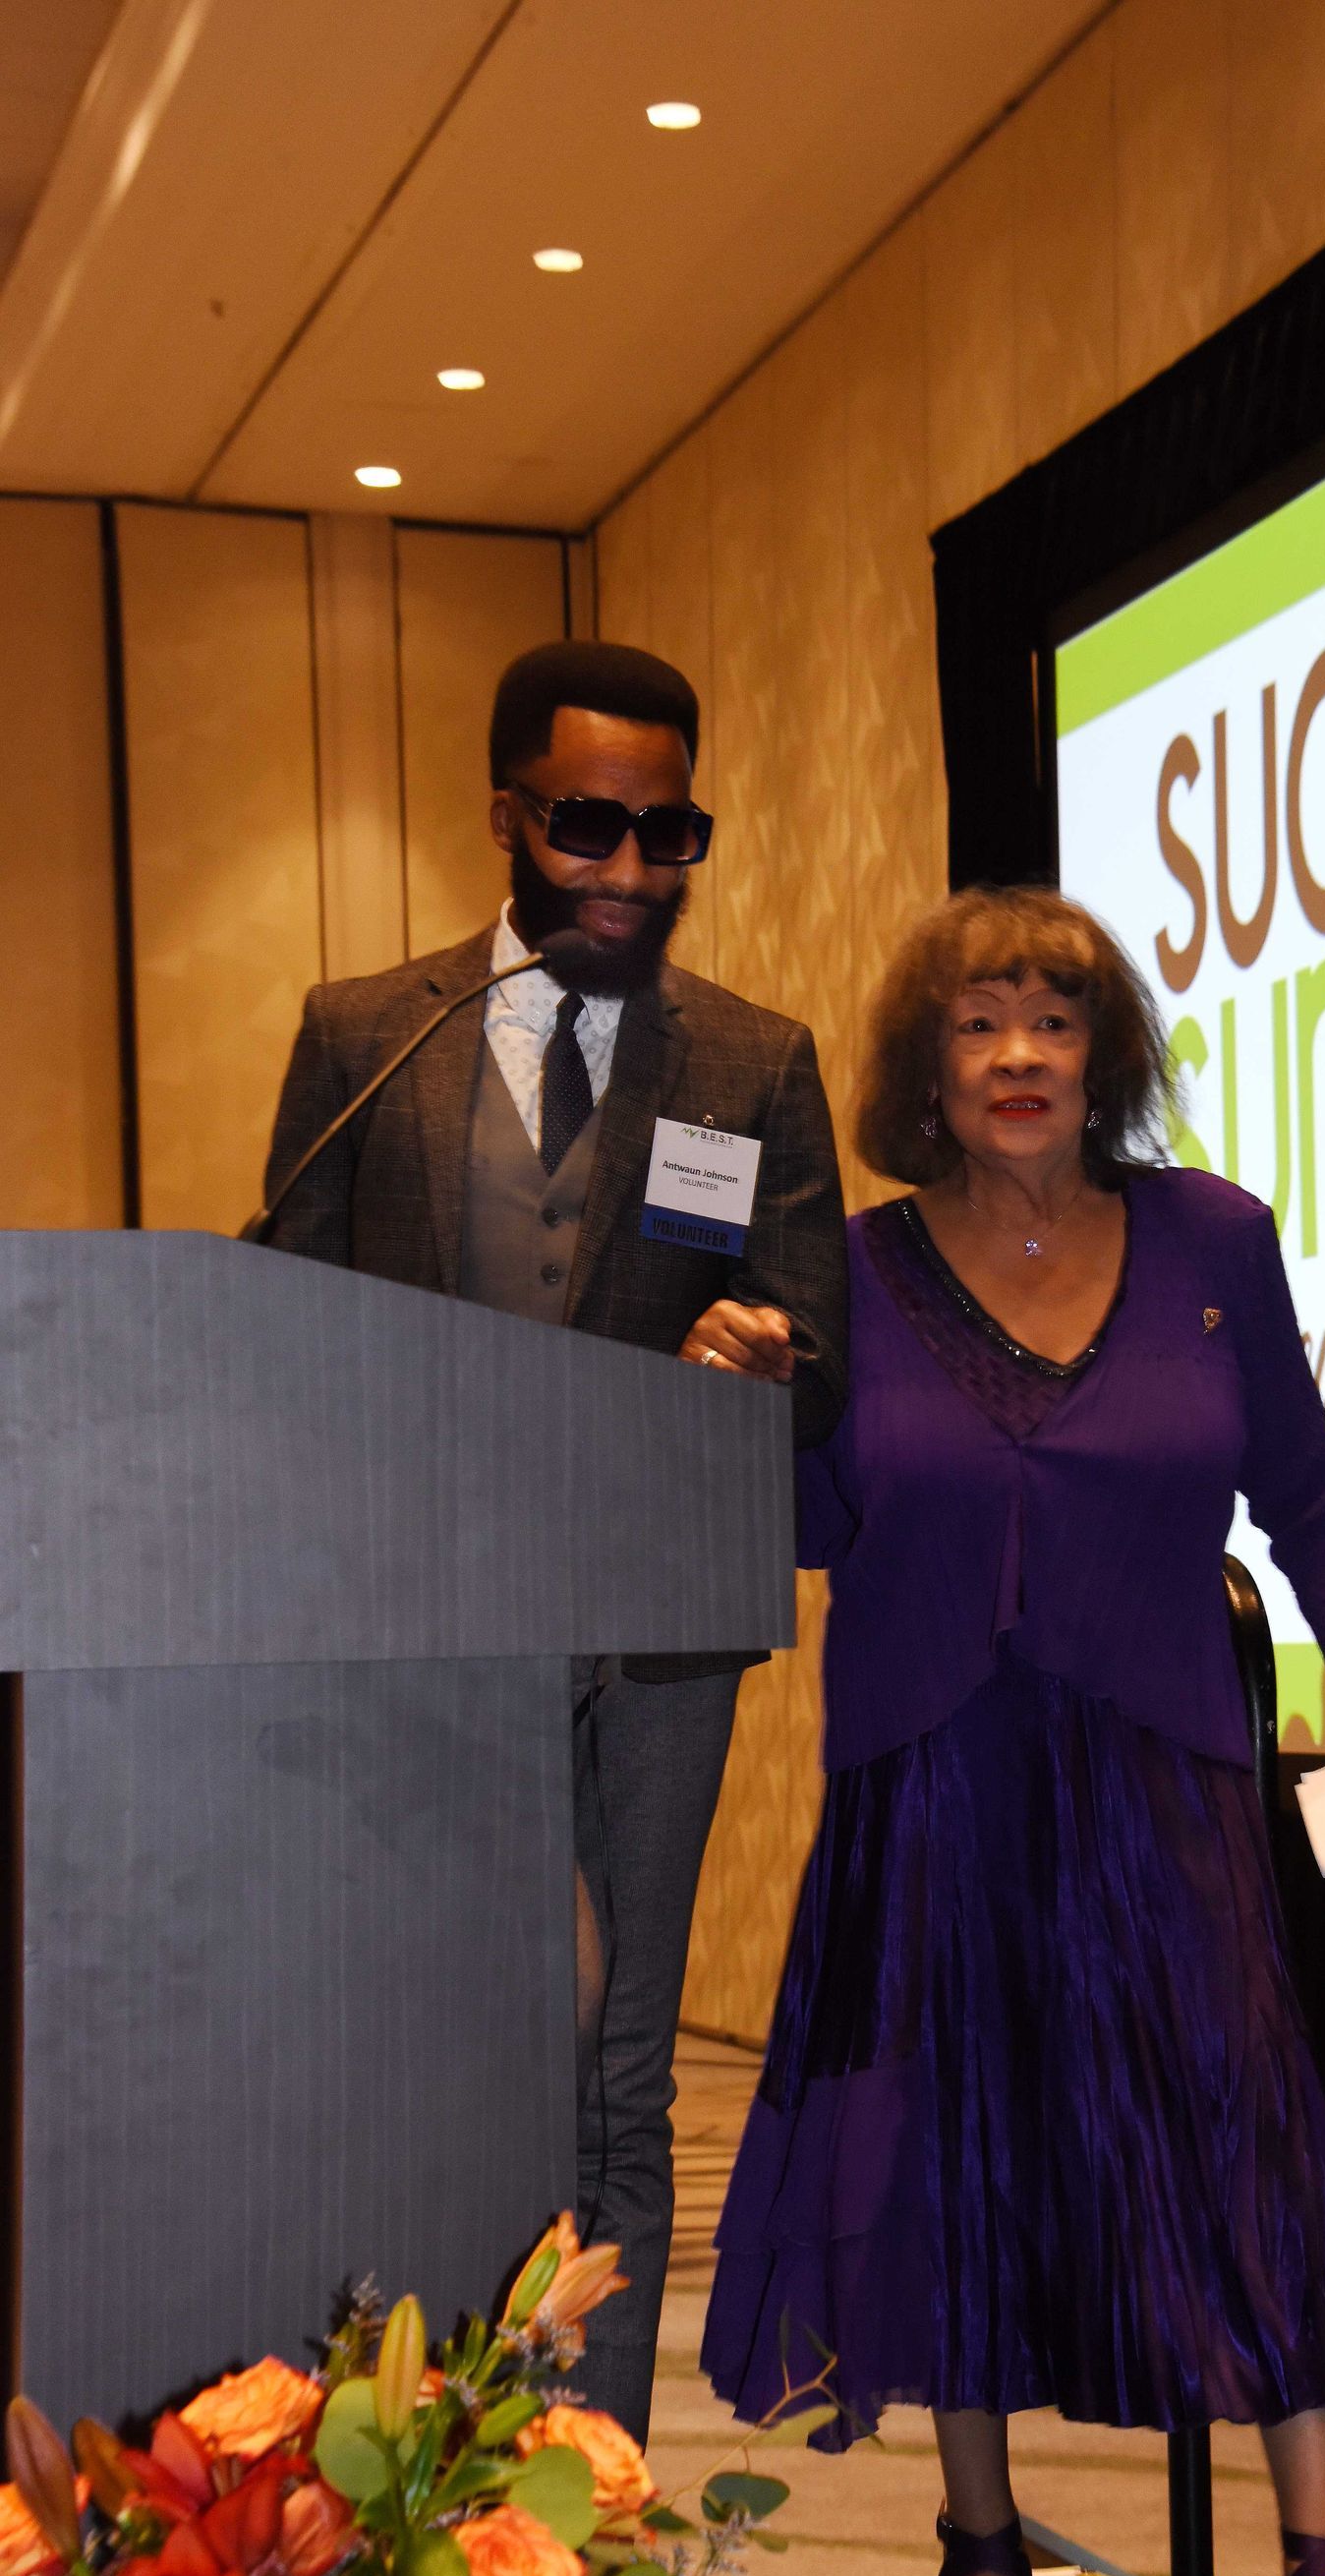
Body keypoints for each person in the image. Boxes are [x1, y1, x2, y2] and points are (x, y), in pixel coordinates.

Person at [702, 887, 1325, 2576]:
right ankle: (978, 2538)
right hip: (931, 1771)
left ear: (1103, 1056)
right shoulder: (849, 1275)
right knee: (950, 2146)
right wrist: (738, 1413)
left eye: (1053, 1019)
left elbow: (1312, 1483)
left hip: (1162, 1772)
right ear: (925, 1071)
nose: (1020, 1054)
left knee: (1242, 2138)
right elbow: (809, 1532)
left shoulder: (1215, 1241)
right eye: (979, 1024)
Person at [260, 639, 847, 2441]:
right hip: (423, 1636)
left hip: (655, 1635)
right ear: (510, 812)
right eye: (591, 822)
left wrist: (766, 1353)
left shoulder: (752, 1062)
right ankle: (415, 2494)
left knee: (622, 2083)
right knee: (438, 2061)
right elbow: (281, 1335)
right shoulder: (376, 1036)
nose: (629, 867)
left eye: (670, 831)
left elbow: (813, 1349)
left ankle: (591, 2515)